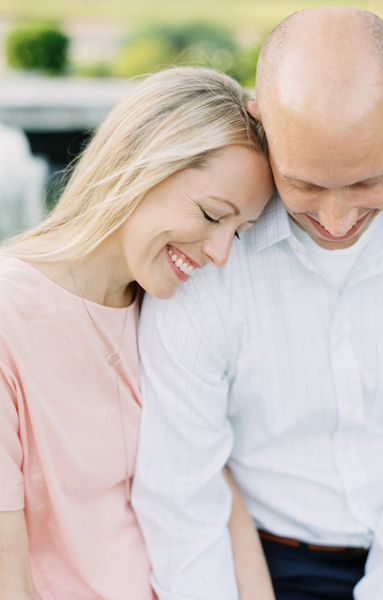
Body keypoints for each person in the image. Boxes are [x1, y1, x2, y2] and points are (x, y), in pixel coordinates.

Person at [131, 7, 383, 600]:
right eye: (304, 184)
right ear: (263, 122)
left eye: (366, 183)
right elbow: (180, 495)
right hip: (263, 568)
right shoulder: (207, 260)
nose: (335, 220)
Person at [0, 67, 276, 600]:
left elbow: (217, 490)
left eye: (238, 233)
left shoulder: (168, 310)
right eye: (212, 214)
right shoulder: (9, 318)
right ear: (135, 154)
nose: (220, 256)